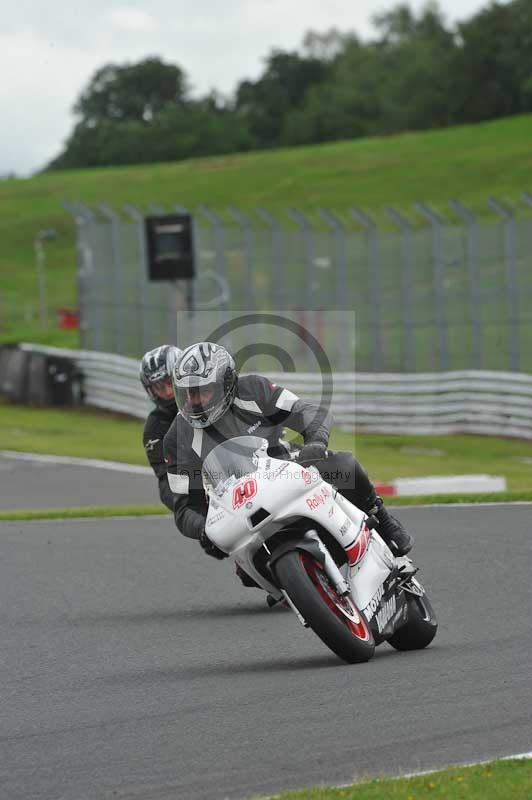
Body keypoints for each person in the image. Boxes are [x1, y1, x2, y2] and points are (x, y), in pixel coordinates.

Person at [163, 341, 413, 561]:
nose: (194, 403)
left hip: (288, 472)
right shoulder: (178, 437)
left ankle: (384, 521)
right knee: (217, 548)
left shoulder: (253, 390)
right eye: (187, 394)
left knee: (344, 466)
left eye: (202, 392)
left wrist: (315, 442)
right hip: (239, 505)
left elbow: (310, 412)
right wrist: (204, 530)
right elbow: (185, 507)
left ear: (225, 384)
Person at [139, 345, 182, 511]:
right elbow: (166, 480)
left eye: (169, 382)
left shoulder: (209, 399)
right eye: (160, 387)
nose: (168, 392)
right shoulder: (155, 427)